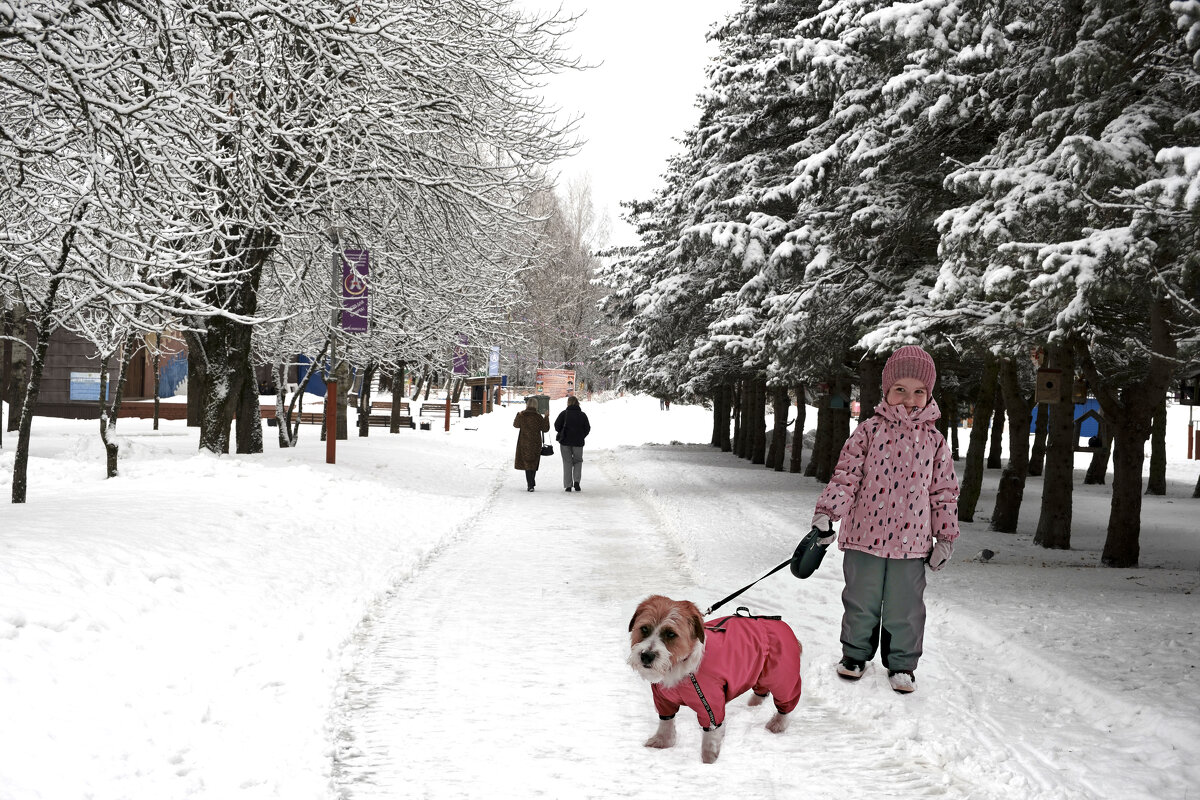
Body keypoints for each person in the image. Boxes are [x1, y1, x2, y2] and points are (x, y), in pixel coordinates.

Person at [808, 345, 960, 694]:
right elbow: (846, 476)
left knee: (905, 607)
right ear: (886, 392)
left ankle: (902, 665)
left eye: (918, 391)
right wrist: (828, 513)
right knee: (861, 599)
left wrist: (946, 538)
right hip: (865, 536)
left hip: (913, 543)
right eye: (900, 390)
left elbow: (944, 493)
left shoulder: (936, 442)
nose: (909, 398)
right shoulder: (868, 431)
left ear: (929, 394)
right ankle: (855, 655)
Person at [554, 395, 591, 492]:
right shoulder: (582, 415)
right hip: (578, 442)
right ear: (577, 403)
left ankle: (568, 485)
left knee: (567, 462)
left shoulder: (564, 414)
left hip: (565, 441)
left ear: (568, 403)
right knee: (578, 461)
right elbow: (587, 428)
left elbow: (556, 426)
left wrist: (563, 431)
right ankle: (577, 482)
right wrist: (581, 435)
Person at [513, 397, 550, 491]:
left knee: (527, 463)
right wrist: (546, 417)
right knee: (533, 462)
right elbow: (545, 429)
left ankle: (530, 484)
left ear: (527, 404)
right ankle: (531, 483)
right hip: (536, 443)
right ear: (536, 405)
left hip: (524, 442)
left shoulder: (522, 415)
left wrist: (518, 415)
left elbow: (516, 425)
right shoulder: (538, 417)